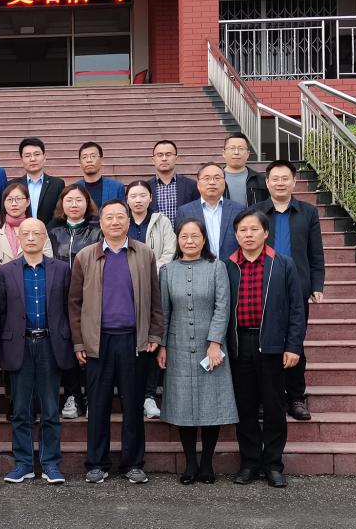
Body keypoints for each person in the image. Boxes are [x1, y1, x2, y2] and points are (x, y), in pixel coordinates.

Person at [69, 200, 162, 484]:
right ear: (101, 223)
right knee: (98, 405)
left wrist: (154, 334)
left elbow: (155, 299)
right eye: (109, 217)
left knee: (132, 405)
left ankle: (133, 463)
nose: (115, 222)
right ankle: (97, 463)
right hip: (98, 342)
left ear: (128, 222)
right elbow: (74, 304)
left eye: (120, 217)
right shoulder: (86, 256)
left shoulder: (144, 253)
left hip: (134, 341)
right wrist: (79, 342)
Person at [224, 210, 306, 489]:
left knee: (273, 407)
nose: (248, 235)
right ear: (236, 235)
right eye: (242, 230)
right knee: (245, 407)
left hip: (272, 344)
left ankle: (273, 464)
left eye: (254, 229)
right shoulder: (228, 266)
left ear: (265, 233)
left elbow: (296, 309)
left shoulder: (282, 264)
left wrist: (293, 346)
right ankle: (249, 463)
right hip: (239, 345)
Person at [157, 218, 236, 485]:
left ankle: (207, 463)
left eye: (195, 236)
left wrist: (215, 342)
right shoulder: (168, 271)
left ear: (204, 240)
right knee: (183, 405)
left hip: (210, 347)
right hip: (178, 346)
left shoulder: (216, 267)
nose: (189, 241)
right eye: (184, 236)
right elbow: (164, 311)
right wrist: (163, 345)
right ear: (178, 240)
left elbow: (222, 307)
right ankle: (190, 463)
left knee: (212, 403)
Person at [0, 218, 75, 485]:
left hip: (51, 345)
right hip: (19, 345)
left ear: (44, 238)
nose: (31, 238)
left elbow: (69, 308)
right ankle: (23, 464)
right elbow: (1, 312)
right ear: (18, 238)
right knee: (21, 409)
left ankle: (51, 464)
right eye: (26, 233)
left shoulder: (61, 270)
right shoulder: (5, 272)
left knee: (51, 409)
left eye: (36, 233)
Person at [250, 159, 325, 421]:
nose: (280, 183)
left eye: (285, 179)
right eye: (275, 179)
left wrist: (317, 284)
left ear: (293, 182)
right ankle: (266, 398)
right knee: (265, 344)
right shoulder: (256, 212)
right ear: (267, 182)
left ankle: (295, 397)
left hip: (297, 288)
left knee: (295, 343)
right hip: (263, 286)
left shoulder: (307, 212)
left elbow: (315, 252)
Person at [46, 184, 101, 419]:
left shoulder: (97, 232)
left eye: (79, 200)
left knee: (88, 345)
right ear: (62, 204)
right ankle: (72, 395)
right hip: (59, 297)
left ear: (87, 203)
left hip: (89, 297)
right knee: (67, 346)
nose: (74, 205)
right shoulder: (53, 232)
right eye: (69, 200)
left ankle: (90, 396)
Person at [125, 179, 176, 420]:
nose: (138, 200)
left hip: (156, 285)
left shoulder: (161, 221)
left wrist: (148, 273)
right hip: (126, 289)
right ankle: (132, 394)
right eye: (133, 196)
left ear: (150, 198)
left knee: (153, 337)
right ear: (127, 200)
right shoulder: (122, 221)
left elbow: (169, 251)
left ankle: (148, 395)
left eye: (142, 195)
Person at [175, 164, 247, 260]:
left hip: (233, 266)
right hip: (198, 266)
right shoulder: (185, 212)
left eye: (217, 178)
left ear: (224, 183)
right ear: (198, 184)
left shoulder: (239, 210)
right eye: (207, 178)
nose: (212, 182)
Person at [0, 182, 55, 265]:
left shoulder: (39, 228)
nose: (14, 204)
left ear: (28, 202)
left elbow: (48, 259)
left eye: (18, 199)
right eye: (9, 200)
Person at [7, 137, 64, 225]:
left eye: (37, 154)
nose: (32, 159)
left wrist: (46, 231)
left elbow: (59, 213)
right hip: (20, 231)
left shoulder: (57, 184)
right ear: (21, 160)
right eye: (27, 156)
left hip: (50, 232)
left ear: (44, 157)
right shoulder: (12, 185)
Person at [147, 140, 199, 221]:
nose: (164, 159)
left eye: (168, 154)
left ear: (176, 158)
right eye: (160, 155)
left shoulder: (191, 186)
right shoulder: (146, 187)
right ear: (153, 160)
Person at [221, 132, 269, 206]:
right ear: (224, 153)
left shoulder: (260, 180)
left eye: (241, 148)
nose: (236, 152)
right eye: (232, 148)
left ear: (248, 154)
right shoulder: (215, 179)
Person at [74, 142, 124, 212]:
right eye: (84, 157)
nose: (89, 160)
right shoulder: (74, 189)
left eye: (93, 156)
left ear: (101, 160)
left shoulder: (117, 188)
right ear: (80, 163)